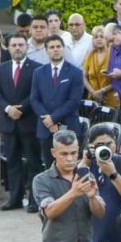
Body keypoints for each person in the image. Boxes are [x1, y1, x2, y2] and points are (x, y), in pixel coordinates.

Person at [0, 34, 39, 212]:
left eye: (21, 45)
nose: (17, 48)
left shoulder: (36, 68)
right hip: (9, 123)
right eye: (14, 45)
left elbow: (36, 93)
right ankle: (15, 199)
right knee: (12, 162)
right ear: (8, 47)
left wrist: (21, 109)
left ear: (26, 47)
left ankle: (35, 200)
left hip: (28, 122)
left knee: (34, 163)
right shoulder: (2, 68)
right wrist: (8, 109)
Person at [30, 35, 84, 169]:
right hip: (45, 128)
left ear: (63, 49)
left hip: (68, 125)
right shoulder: (38, 72)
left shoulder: (75, 72)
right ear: (46, 50)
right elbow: (34, 99)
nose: (55, 50)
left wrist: (53, 118)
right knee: (50, 167)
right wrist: (47, 120)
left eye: (58, 46)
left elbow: (74, 100)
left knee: (70, 167)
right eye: (52, 47)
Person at [82, 25, 118, 109]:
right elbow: (84, 76)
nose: (99, 39)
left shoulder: (114, 54)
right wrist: (93, 92)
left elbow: (118, 79)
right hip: (92, 100)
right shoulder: (89, 55)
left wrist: (102, 91)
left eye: (102, 36)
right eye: (96, 37)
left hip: (110, 100)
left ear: (106, 39)